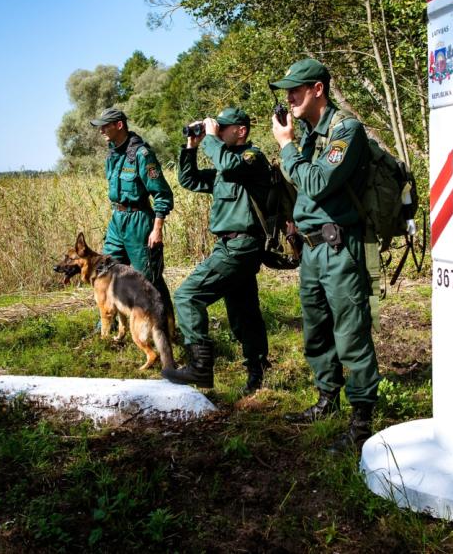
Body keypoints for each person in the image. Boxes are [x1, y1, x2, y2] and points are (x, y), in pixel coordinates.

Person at [269, 58, 381, 453]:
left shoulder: (345, 130)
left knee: (350, 333)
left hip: (339, 248)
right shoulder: (311, 135)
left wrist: (285, 146)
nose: (289, 98)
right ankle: (326, 400)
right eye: (287, 91)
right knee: (316, 332)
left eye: (296, 89)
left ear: (318, 89)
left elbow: (316, 182)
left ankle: (362, 419)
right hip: (312, 251)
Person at [162, 107, 271, 392]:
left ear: (241, 131)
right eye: (217, 128)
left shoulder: (251, 158)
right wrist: (191, 147)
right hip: (230, 245)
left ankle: (200, 367)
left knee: (188, 295)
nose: (219, 132)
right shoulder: (226, 165)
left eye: (224, 128)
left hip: (242, 246)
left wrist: (211, 138)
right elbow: (190, 180)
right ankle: (258, 374)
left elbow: (231, 166)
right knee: (243, 312)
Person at [89, 107, 175, 328]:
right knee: (104, 270)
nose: (101, 131)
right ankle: (107, 328)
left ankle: (165, 326)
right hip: (117, 220)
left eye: (105, 125)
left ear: (119, 125)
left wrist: (157, 229)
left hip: (139, 221)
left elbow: (162, 194)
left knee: (147, 279)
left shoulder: (141, 154)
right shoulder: (112, 155)